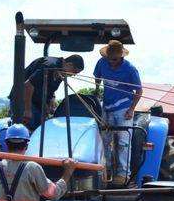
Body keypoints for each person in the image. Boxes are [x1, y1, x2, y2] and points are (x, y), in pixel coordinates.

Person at [94, 40, 142, 186]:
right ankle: (105, 170)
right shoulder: (102, 63)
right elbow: (97, 77)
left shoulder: (130, 69)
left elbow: (139, 91)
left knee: (123, 141)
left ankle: (123, 174)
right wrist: (97, 91)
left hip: (123, 108)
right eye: (110, 58)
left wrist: (131, 109)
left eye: (114, 59)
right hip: (107, 106)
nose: (112, 61)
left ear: (121, 57)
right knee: (104, 140)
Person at [16, 54, 85, 131]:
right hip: (24, 101)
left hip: (37, 103)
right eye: (75, 71)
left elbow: (49, 89)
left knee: (41, 130)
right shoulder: (49, 66)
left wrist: (51, 101)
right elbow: (28, 85)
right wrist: (27, 110)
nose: (74, 75)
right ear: (69, 64)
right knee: (26, 131)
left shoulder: (61, 72)